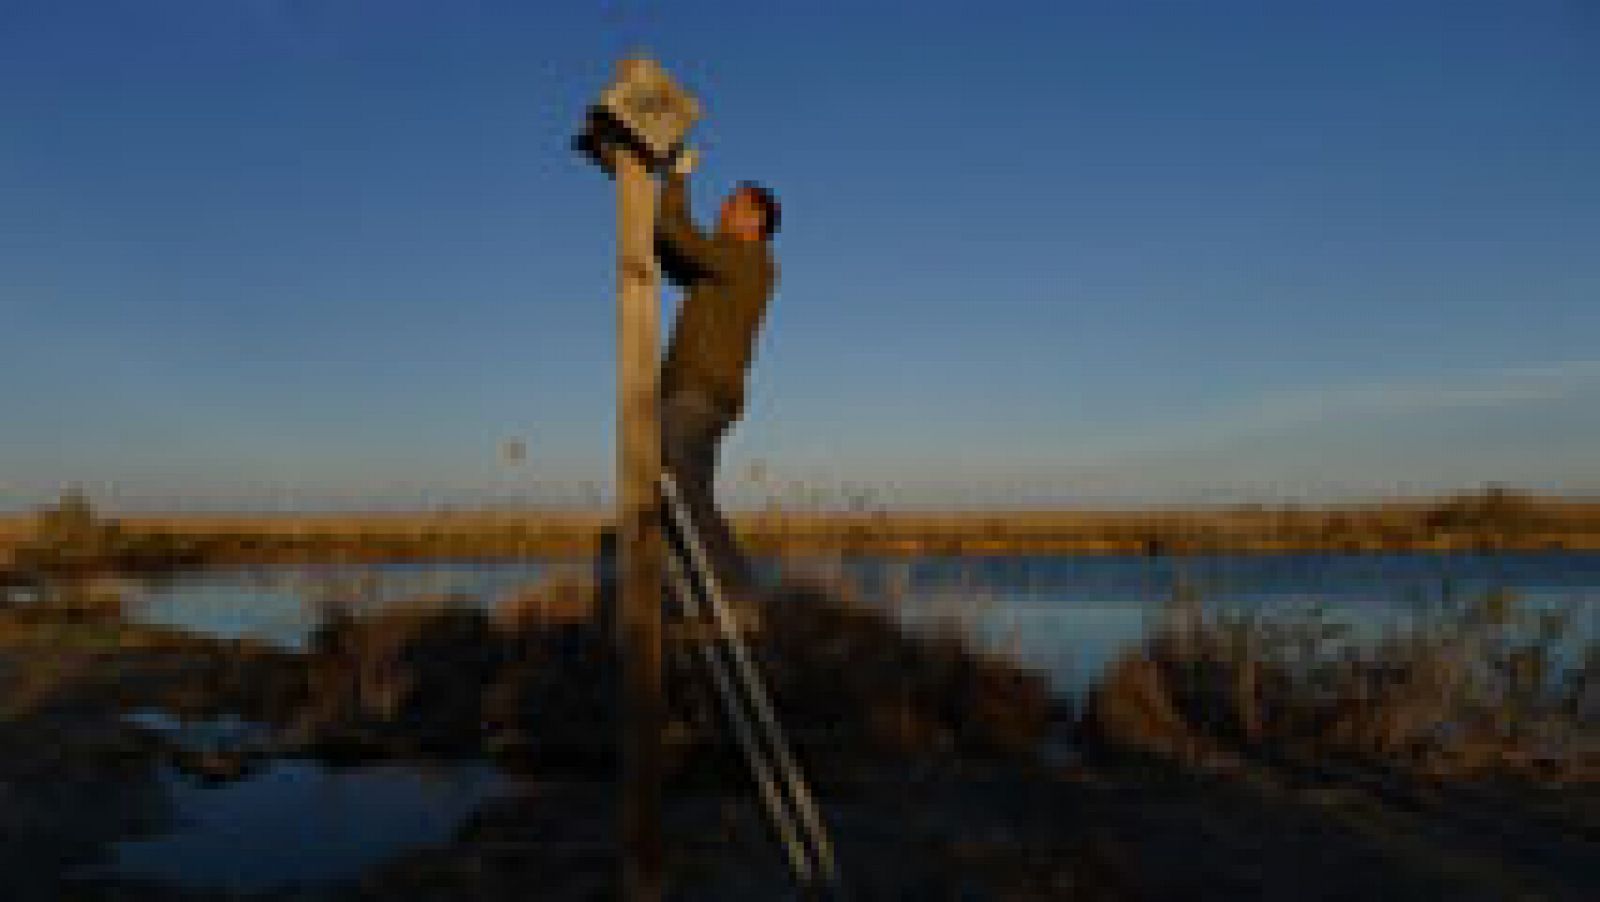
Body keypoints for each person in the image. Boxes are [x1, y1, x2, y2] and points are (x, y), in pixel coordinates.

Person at [654, 148, 780, 598]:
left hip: (697, 394)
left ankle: (739, 593)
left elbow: (680, 237)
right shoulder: (723, 261)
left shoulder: (749, 260)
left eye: (734, 204)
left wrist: (678, 178)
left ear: (756, 222)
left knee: (679, 493)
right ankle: (712, 594)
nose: (723, 207)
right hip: (698, 394)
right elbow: (675, 251)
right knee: (684, 499)